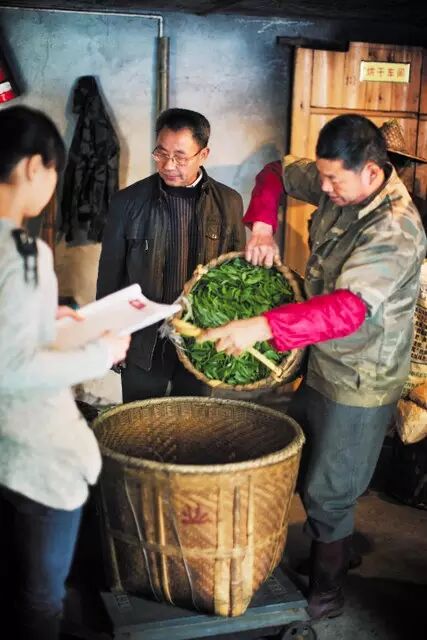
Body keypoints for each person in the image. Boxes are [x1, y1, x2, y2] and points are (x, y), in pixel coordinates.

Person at [199, 114, 427, 620]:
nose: (322, 189)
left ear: (372, 173)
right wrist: (262, 224)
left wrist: (261, 327)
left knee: (331, 489)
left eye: (333, 181)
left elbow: (347, 310)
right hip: (322, 358)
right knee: (312, 467)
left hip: (361, 375)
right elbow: (276, 172)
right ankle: (336, 550)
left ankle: (327, 593)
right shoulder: (339, 182)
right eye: (321, 177)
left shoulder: (394, 229)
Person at [0, 105, 130, 640]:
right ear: (36, 166)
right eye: (54, 173)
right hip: (31, 453)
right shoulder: (21, 252)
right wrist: (101, 352)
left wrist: (43, 320)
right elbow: (12, 368)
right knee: (41, 599)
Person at [97, 107, 245, 402]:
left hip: (201, 340)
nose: (168, 165)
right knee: (138, 421)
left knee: (193, 422)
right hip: (143, 340)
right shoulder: (128, 202)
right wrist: (109, 333)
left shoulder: (229, 203)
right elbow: (110, 274)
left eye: (180, 156)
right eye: (161, 153)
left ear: (203, 155)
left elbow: (234, 276)